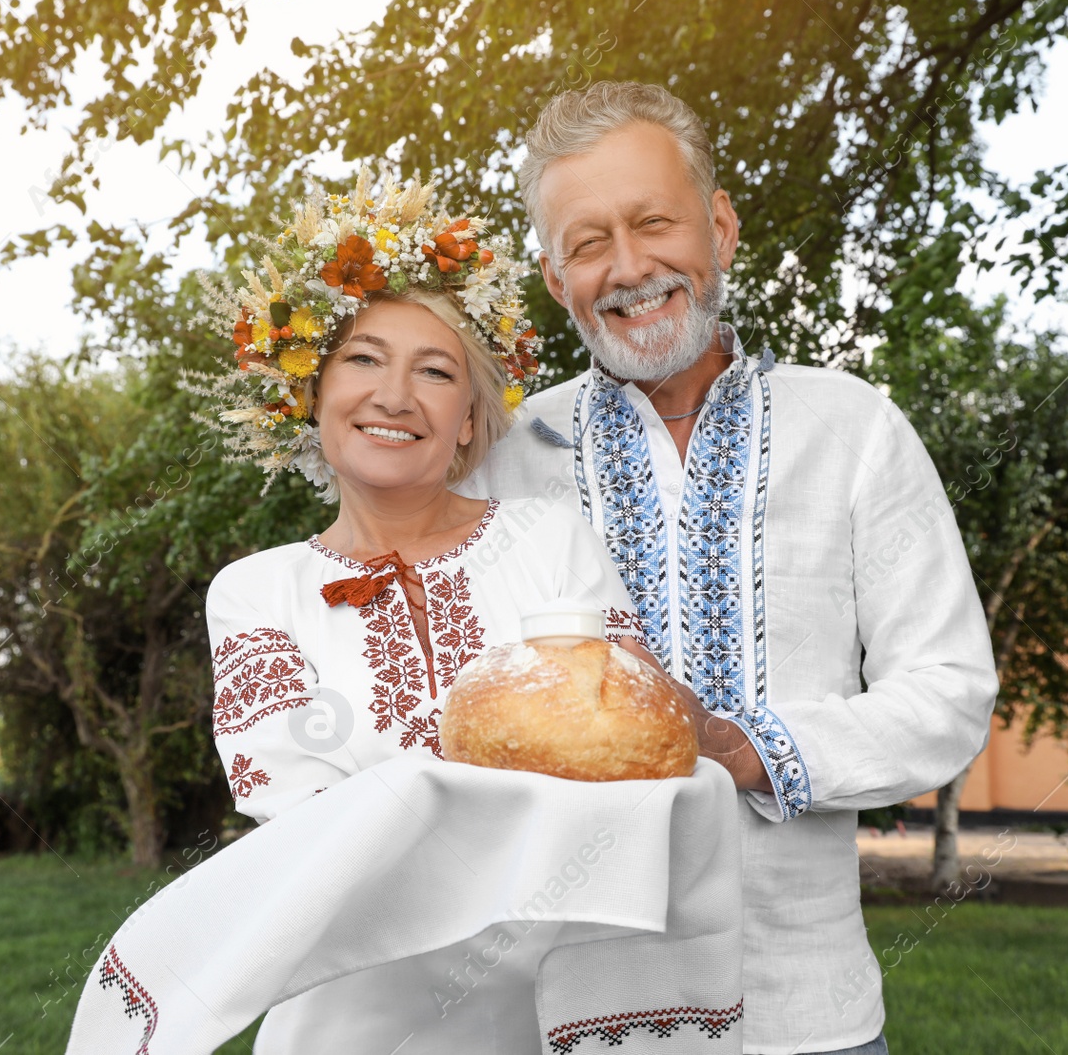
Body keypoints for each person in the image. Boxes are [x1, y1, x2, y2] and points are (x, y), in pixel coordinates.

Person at [460, 81, 1000, 1055]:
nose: (627, 267)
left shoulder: (850, 428)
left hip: (807, 1014)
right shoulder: (504, 454)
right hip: (567, 1019)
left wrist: (745, 746)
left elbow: (949, 694)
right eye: (587, 243)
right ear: (553, 277)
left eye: (653, 221)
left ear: (719, 226)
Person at [196, 171, 757, 1050]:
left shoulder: (548, 540)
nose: (394, 395)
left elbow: (637, 761)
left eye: (435, 371)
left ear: (467, 420)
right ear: (310, 392)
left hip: (554, 1014)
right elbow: (304, 819)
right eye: (363, 359)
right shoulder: (252, 591)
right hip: (345, 1022)